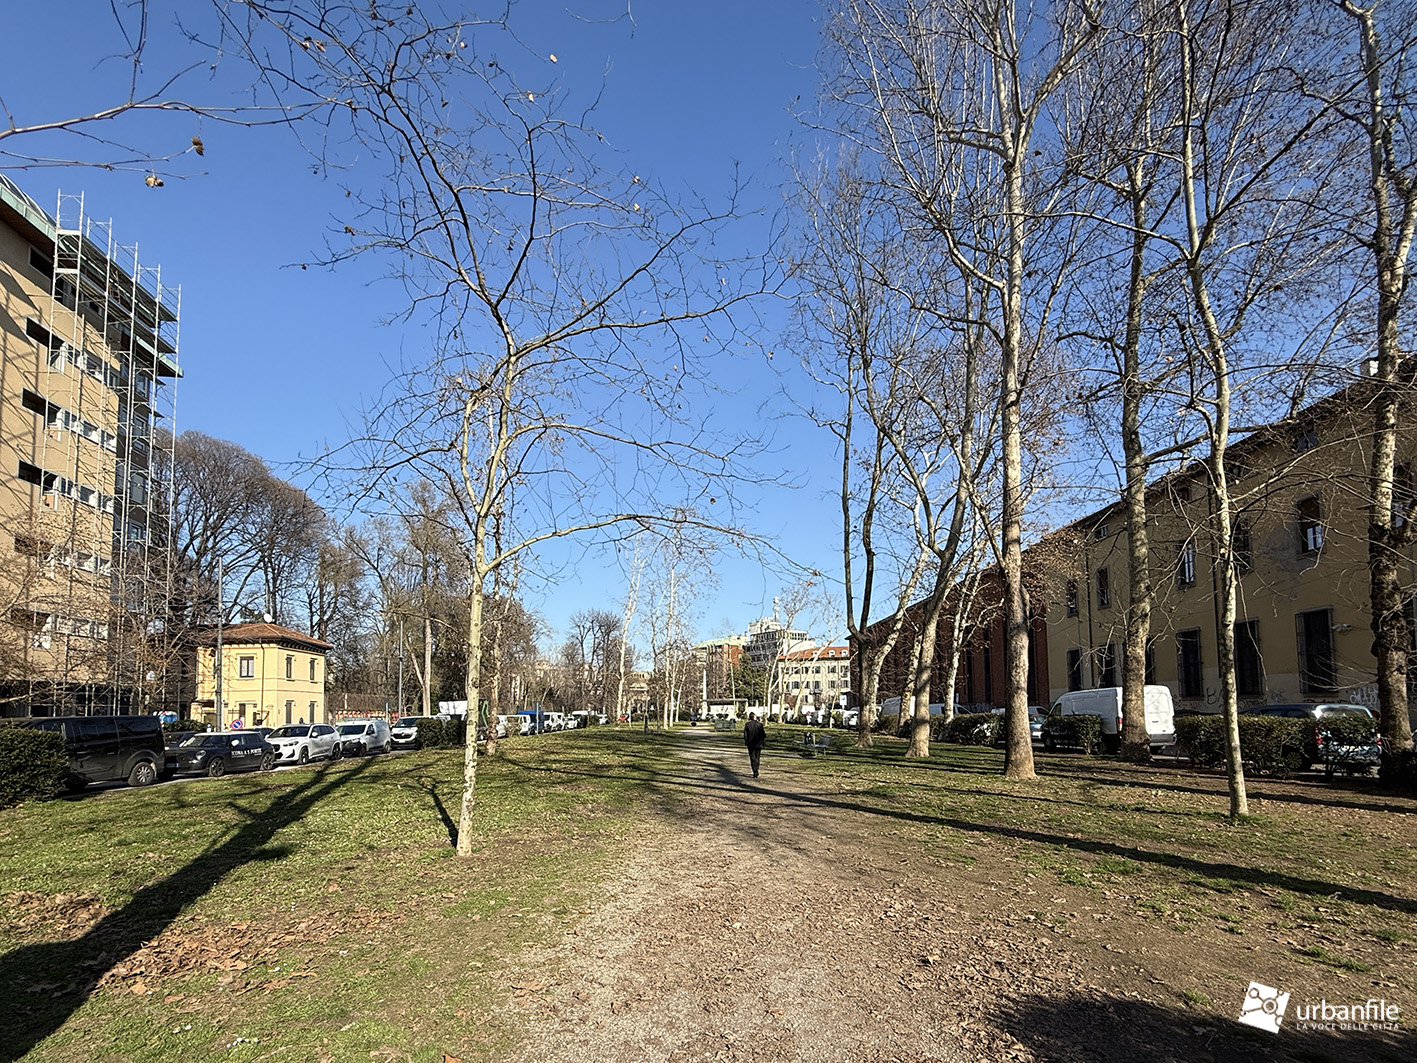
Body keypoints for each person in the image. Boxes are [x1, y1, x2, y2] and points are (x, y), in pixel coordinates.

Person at [743, 711, 766, 778]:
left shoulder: (747, 725)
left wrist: (746, 741)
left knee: (752, 757)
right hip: (758, 743)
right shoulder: (760, 725)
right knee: (757, 757)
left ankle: (754, 770)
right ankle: (757, 768)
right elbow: (763, 734)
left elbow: (745, 735)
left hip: (750, 744)